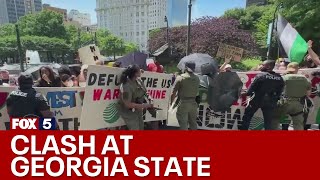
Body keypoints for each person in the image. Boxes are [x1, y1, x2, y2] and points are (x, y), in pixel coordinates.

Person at [240, 60, 285, 130]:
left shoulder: (260, 76)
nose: (261, 66)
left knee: (247, 118)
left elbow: (249, 92)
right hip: (271, 102)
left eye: (263, 65)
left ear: (269, 66)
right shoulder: (279, 78)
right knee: (268, 122)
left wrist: (238, 93)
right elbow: (280, 92)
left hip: (257, 100)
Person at [273, 62, 312, 130]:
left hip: (284, 103)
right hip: (299, 105)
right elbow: (308, 94)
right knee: (298, 124)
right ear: (297, 69)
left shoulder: (283, 78)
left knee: (274, 120)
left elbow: (275, 91)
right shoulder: (305, 79)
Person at [118, 65, 153, 130]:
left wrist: (150, 98)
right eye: (139, 70)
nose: (141, 71)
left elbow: (145, 92)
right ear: (135, 73)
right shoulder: (126, 86)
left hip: (138, 110)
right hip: (129, 113)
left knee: (141, 127)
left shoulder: (139, 81)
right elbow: (127, 104)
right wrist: (145, 106)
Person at [171, 62, 200, 130]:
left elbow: (173, 92)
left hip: (183, 103)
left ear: (186, 68)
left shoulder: (180, 78)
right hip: (193, 103)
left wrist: (172, 103)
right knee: (193, 124)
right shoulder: (197, 78)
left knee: (183, 124)